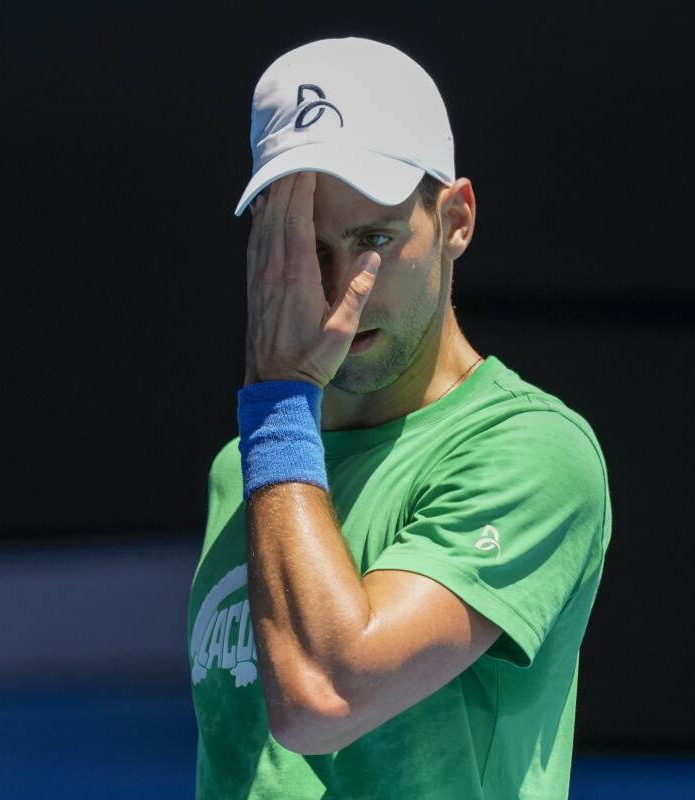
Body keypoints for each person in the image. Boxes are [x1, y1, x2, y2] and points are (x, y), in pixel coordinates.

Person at [187, 38, 612, 798]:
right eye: (306, 246)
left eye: (373, 239)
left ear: (456, 219)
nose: (339, 286)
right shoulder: (248, 467)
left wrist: (279, 406)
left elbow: (325, 695)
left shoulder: (532, 454)